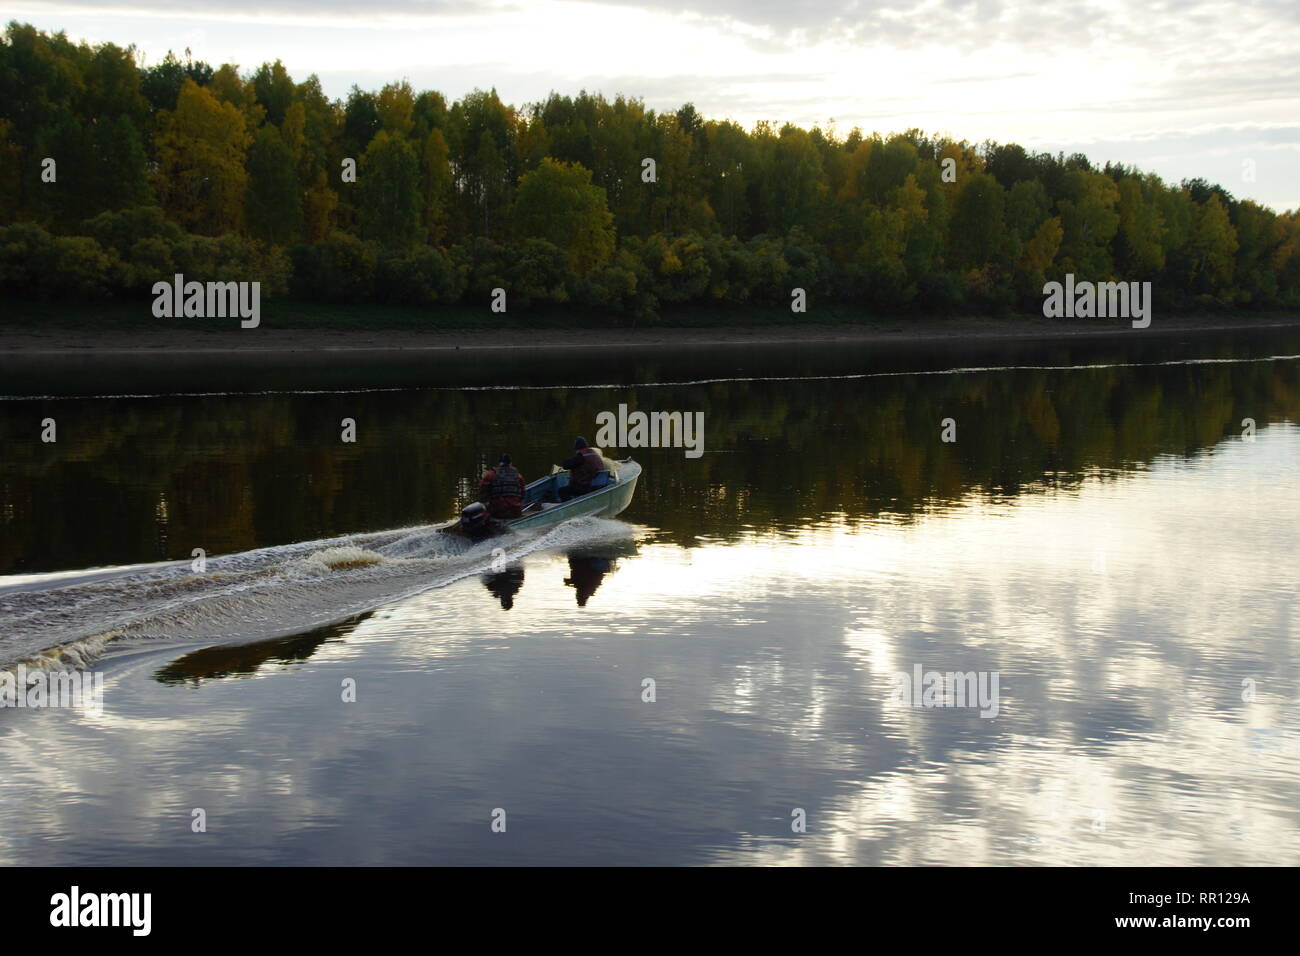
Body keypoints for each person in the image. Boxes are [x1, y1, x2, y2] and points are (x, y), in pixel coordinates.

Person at [479, 453, 525, 519]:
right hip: (515, 512)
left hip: (497, 513)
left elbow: (482, 494)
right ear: (510, 463)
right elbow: (522, 494)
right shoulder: (518, 476)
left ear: (499, 464)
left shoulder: (490, 475)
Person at [558, 437, 605, 501]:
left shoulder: (581, 458)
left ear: (578, 449)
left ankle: (570, 507)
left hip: (585, 488)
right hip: (597, 486)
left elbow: (565, 465)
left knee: (562, 491)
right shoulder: (594, 453)